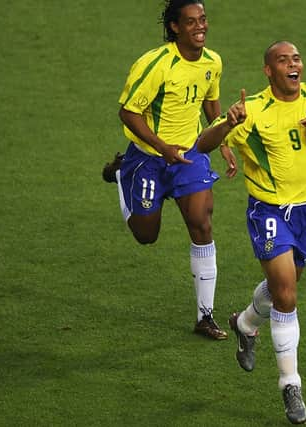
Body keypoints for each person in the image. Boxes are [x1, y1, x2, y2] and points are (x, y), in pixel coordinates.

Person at [197, 41, 306, 424]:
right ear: (268, 71)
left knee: (280, 290)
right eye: (283, 60)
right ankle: (291, 385)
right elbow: (202, 143)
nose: (293, 65)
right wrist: (228, 122)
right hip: (268, 211)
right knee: (287, 294)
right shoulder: (252, 110)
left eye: (296, 59)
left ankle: (245, 324)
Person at [101, 0, 237, 340]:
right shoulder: (155, 64)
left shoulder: (212, 61)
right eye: (191, 22)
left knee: (202, 222)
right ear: (175, 27)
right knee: (146, 235)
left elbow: (210, 102)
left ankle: (205, 316)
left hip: (189, 155)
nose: (200, 27)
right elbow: (128, 113)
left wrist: (222, 141)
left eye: (203, 20)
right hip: (149, 158)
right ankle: (122, 173)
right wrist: (163, 148)